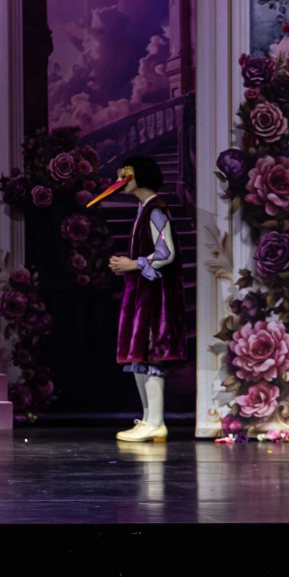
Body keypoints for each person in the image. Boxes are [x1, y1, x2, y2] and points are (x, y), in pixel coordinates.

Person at [100, 155, 187, 442]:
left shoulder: (156, 210)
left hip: (155, 297)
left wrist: (133, 263)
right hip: (141, 295)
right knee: (139, 356)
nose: (119, 181)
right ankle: (148, 419)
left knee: (151, 356)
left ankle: (156, 422)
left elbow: (167, 253)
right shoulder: (144, 209)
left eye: (124, 175)